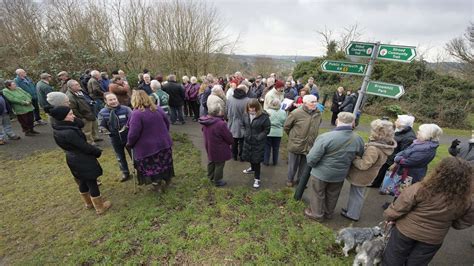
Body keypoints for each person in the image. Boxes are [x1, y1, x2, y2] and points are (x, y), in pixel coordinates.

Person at [382, 157, 473, 265]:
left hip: (406, 231)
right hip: (433, 238)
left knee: (393, 258)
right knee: (417, 263)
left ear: (439, 171)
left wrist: (388, 217)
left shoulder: (420, 188)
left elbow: (399, 207)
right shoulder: (467, 199)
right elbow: (463, 222)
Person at [50, 106, 111, 214]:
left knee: (82, 180)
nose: (73, 115)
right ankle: (100, 207)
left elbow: (80, 123)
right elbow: (83, 146)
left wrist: (73, 119)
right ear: (62, 117)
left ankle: (88, 203)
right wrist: (96, 151)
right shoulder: (69, 132)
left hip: (72, 158)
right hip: (82, 158)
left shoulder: (59, 127)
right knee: (92, 181)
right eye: (69, 114)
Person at [304, 112, 365, 221]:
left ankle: (317, 214)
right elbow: (360, 154)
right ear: (353, 123)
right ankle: (328, 213)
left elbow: (312, 157)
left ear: (337, 121)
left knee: (318, 193)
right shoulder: (358, 139)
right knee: (333, 194)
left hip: (321, 172)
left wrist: (313, 165)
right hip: (340, 174)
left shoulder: (325, 137)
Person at [342, 119, 397, 222]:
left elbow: (363, 165)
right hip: (369, 175)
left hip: (362, 175)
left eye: (373, 130)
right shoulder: (385, 144)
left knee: (356, 195)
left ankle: (352, 214)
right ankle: (351, 210)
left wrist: (354, 158)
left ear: (379, 133)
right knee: (357, 194)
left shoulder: (374, 148)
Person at [127, 90, 174, 191]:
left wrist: (130, 143)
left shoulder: (136, 114)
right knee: (165, 163)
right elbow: (167, 124)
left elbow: (133, 133)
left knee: (153, 167)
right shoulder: (158, 109)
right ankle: (167, 180)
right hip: (164, 143)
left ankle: (157, 185)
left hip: (148, 148)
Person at [284, 94, 322, 187]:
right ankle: (290, 180)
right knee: (293, 165)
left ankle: (301, 181)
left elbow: (317, 125)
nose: (315, 103)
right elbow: (286, 126)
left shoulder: (318, 114)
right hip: (296, 143)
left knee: (304, 165)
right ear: (305, 103)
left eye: (316, 101)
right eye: (312, 102)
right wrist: (294, 137)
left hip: (310, 144)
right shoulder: (296, 113)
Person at [371, 115, 416, 188]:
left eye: (397, 120)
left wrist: (395, 162)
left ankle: (380, 186)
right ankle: (376, 184)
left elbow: (404, 151)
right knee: (381, 171)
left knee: (384, 172)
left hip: (393, 158)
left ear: (402, 123)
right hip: (390, 155)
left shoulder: (409, 137)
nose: (395, 121)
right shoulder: (400, 129)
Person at [98, 93, 133, 182]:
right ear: (105, 101)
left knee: (134, 155)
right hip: (115, 138)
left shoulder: (126, 109)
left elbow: (133, 121)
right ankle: (125, 173)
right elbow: (101, 125)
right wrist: (104, 130)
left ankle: (140, 170)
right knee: (120, 156)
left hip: (128, 136)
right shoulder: (102, 112)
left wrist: (127, 126)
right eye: (110, 100)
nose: (113, 101)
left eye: (114, 99)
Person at [199, 103, 234, 187]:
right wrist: (231, 141)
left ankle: (209, 177)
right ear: (218, 112)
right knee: (219, 163)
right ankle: (217, 181)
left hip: (209, 144)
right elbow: (228, 136)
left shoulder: (206, 121)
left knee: (211, 161)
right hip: (219, 147)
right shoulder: (220, 124)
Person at [241, 99, 271, 189]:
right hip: (248, 141)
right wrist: (244, 133)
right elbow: (243, 125)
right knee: (249, 156)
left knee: (257, 160)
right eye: (250, 108)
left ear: (257, 107)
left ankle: (257, 179)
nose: (251, 110)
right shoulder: (245, 115)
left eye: (253, 108)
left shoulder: (264, 116)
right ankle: (252, 168)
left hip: (258, 143)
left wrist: (259, 137)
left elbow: (267, 129)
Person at [66, 79, 102, 145]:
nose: (79, 85)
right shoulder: (70, 96)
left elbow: (87, 98)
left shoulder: (80, 91)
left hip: (90, 112)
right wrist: (81, 117)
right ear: (71, 87)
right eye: (76, 85)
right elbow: (73, 109)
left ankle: (95, 137)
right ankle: (90, 142)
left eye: (78, 84)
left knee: (93, 126)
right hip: (84, 115)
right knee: (87, 130)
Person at [226, 84, 249, 161]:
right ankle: (242, 156)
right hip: (244, 124)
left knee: (234, 141)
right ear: (245, 91)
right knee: (243, 141)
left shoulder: (230, 99)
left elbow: (226, 110)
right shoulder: (248, 100)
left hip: (232, 122)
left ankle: (234, 155)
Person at [264, 99, 287, 166]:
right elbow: (284, 122)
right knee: (276, 148)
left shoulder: (267, 112)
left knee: (267, 147)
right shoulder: (283, 112)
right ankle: (275, 162)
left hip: (269, 132)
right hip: (278, 133)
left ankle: (266, 161)